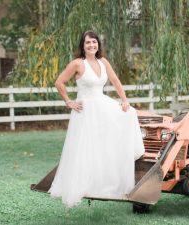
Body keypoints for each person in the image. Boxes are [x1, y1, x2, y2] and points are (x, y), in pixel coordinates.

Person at [49, 30, 145, 207]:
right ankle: (84, 184)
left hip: (102, 103)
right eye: (87, 43)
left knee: (128, 114)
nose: (91, 45)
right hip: (85, 109)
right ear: (82, 46)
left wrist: (124, 100)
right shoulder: (78, 63)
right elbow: (59, 82)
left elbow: (115, 81)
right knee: (86, 147)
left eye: (94, 42)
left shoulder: (103, 62)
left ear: (98, 45)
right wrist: (68, 101)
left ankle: (107, 179)